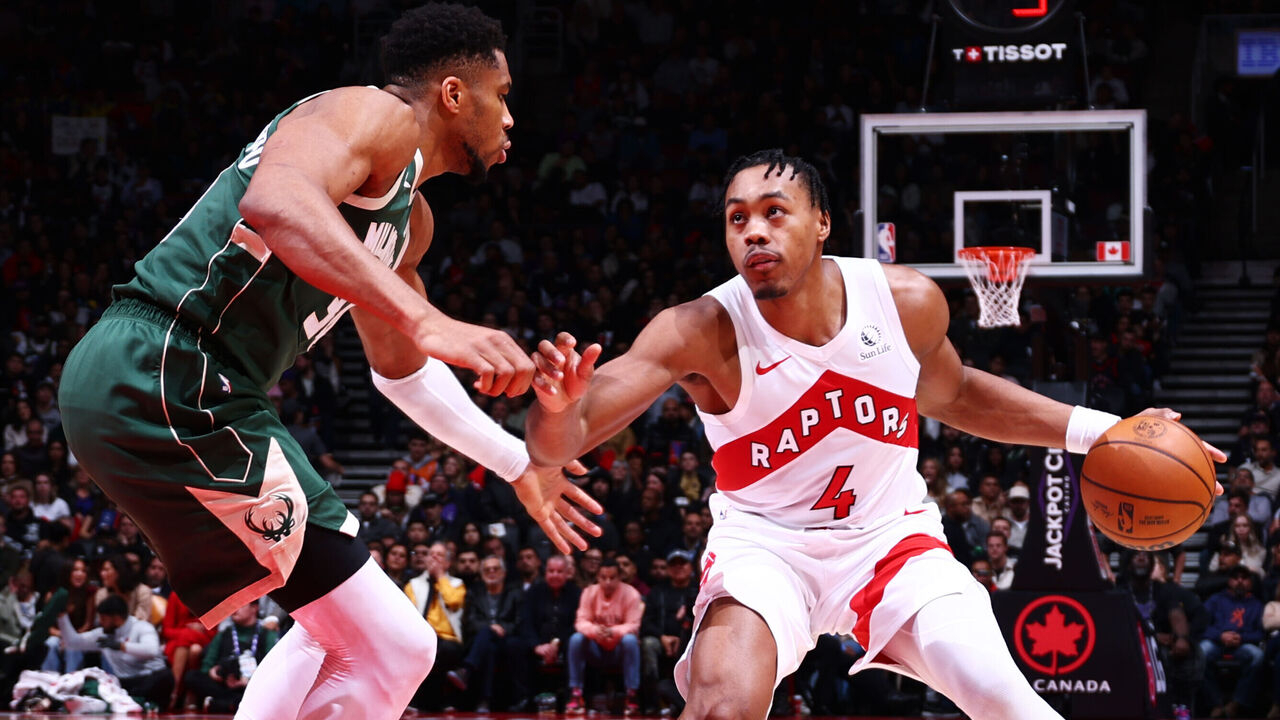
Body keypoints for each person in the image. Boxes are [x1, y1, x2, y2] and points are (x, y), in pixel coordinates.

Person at [524, 149, 1226, 720]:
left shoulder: (903, 301)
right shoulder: (700, 329)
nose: (754, 231)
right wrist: (557, 408)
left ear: (823, 222)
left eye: (775, 212)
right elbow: (562, 443)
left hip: (892, 541)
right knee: (722, 705)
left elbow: (955, 393)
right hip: (767, 549)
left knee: (1005, 699)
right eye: (737, 219)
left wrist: (1103, 432)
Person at [54, 5, 600, 720]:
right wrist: (430, 317)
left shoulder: (411, 222)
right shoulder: (373, 114)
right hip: (167, 360)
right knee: (398, 647)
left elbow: (402, 371)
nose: (511, 119)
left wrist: (518, 463)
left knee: (341, 631)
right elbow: (276, 198)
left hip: (185, 385)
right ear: (454, 94)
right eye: (502, 95)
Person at [57, 594, 173, 709]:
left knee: (166, 677)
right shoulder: (103, 635)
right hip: (124, 684)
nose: (99, 622)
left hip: (150, 679)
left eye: (103, 618)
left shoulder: (142, 627)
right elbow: (73, 643)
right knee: (92, 685)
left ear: (116, 618)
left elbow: (152, 650)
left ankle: (145, 704)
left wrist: (121, 646)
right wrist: (62, 617)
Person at [566, 557, 643, 715]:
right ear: (597, 577)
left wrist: (613, 631)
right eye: (603, 577)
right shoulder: (589, 592)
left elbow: (634, 625)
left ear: (619, 577)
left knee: (630, 640)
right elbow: (580, 622)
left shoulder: (632, 594)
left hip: (618, 650)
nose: (608, 582)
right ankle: (576, 693)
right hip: (596, 648)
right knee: (576, 639)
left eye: (612, 577)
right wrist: (595, 631)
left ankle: (631, 695)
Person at [447, 555, 522, 711]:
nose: (491, 572)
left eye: (496, 569)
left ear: (504, 573)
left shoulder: (514, 593)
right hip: (482, 641)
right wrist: (490, 627)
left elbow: (520, 621)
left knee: (493, 641)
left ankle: (466, 671)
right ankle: (485, 700)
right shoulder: (475, 593)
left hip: (507, 640)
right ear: (481, 574)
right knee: (488, 646)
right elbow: (470, 622)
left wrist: (502, 628)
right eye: (487, 570)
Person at [184, 600, 278, 713]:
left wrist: (249, 681)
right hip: (225, 685)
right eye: (232, 605)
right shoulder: (224, 634)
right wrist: (213, 672)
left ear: (254, 608)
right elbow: (206, 666)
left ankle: (224, 704)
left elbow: (273, 667)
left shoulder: (268, 633)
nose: (235, 609)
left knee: (271, 688)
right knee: (191, 677)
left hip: (254, 684)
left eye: (240, 604)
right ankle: (234, 703)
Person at [1200, 566, 1265, 718]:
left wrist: (1242, 637)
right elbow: (1201, 625)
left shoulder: (1257, 604)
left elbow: (1260, 633)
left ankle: (1237, 702)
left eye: (1244, 578)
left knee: (1259, 656)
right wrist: (1221, 635)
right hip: (1217, 642)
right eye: (1236, 578)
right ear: (1229, 581)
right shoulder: (1216, 599)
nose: (1240, 581)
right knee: (1200, 653)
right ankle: (1215, 703)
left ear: (1250, 582)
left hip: (1243, 643)